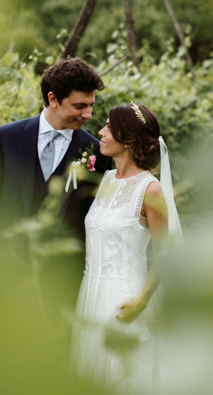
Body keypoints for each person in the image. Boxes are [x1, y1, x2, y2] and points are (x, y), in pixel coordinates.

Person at [0, 56, 112, 314]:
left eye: (91, 105)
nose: (88, 115)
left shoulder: (94, 152)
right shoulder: (6, 138)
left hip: (63, 289)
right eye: (80, 106)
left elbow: (95, 222)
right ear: (53, 98)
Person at [72, 102, 184, 389]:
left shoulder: (150, 190)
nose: (100, 132)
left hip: (125, 298)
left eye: (109, 127)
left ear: (129, 139)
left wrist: (142, 301)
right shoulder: (106, 179)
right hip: (90, 294)